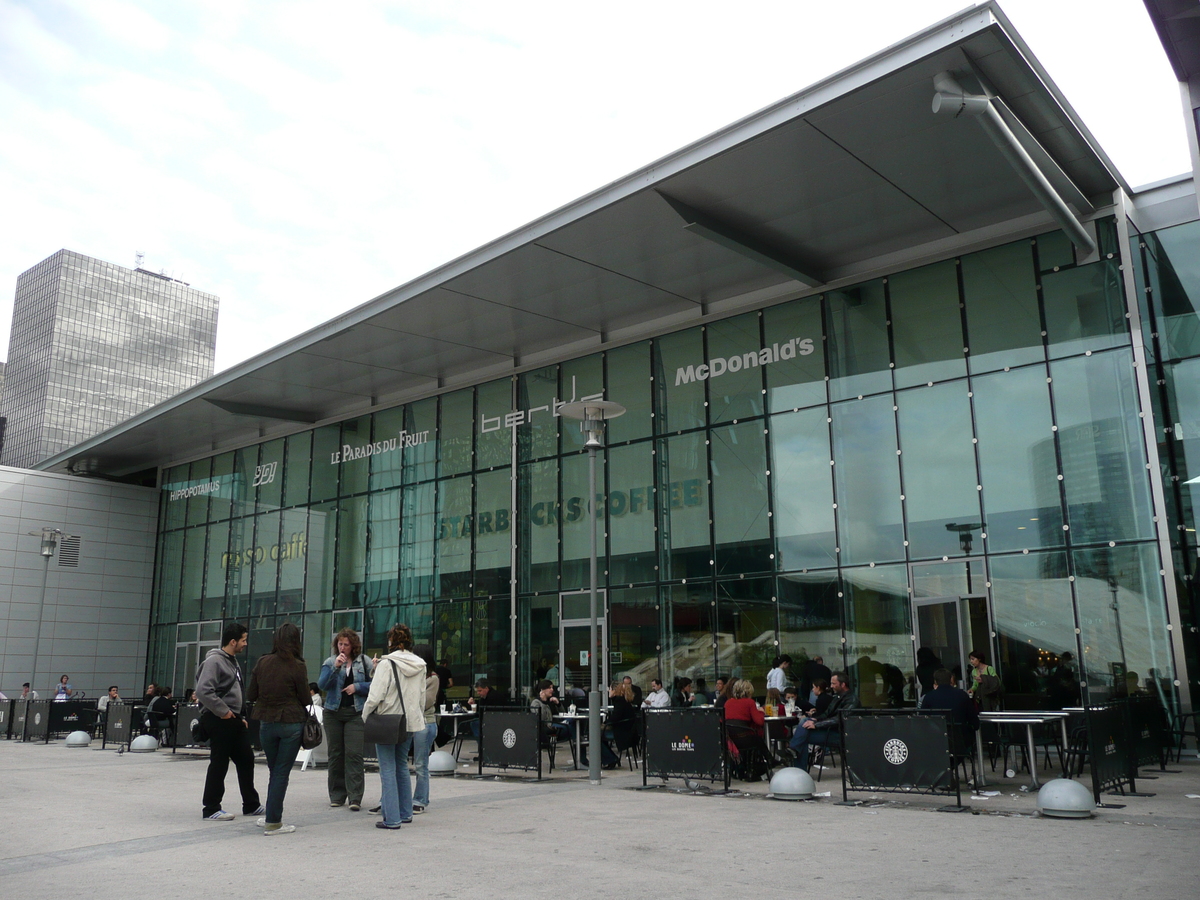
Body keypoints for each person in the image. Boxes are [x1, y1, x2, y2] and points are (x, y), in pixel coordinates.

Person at [195, 622, 262, 821]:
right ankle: (211, 808)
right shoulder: (214, 662)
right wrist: (224, 712)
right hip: (219, 719)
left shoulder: (231, 661)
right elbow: (203, 691)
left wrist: (239, 717)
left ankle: (251, 804)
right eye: (243, 640)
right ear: (232, 642)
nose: (245, 644)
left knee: (246, 759)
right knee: (219, 762)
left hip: (232, 720)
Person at [247, 622, 309, 835]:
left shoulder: (263, 662)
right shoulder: (298, 665)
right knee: (281, 773)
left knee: (275, 772)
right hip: (291, 723)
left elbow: (251, 695)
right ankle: (273, 821)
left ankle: (271, 814)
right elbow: (305, 698)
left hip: (266, 723)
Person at [363, 623, 426, 830]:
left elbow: (375, 695)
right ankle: (406, 812)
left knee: (387, 768)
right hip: (410, 720)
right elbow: (422, 698)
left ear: (391, 641)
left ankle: (391, 818)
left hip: (388, 720)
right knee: (401, 766)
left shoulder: (386, 664)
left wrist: (365, 715)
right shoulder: (420, 665)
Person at [317, 627, 374, 811]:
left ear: (353, 646)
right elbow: (322, 685)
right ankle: (337, 795)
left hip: (355, 712)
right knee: (335, 754)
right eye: (340, 644)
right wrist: (336, 668)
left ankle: (355, 797)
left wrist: (357, 687)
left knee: (354, 754)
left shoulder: (364, 661)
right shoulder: (330, 662)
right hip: (333, 712)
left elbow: (375, 684)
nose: (343, 648)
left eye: (346, 644)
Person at [787, 672, 857, 770]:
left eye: (833, 683)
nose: (831, 686)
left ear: (843, 684)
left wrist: (817, 724)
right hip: (832, 730)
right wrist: (815, 719)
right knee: (804, 726)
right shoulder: (837, 697)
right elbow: (827, 714)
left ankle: (797, 763)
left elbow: (840, 719)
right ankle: (795, 755)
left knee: (802, 736)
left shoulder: (851, 699)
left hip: (842, 734)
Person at [411, 644, 440, 815]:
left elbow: (426, 702)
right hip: (410, 721)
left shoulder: (432, 678)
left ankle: (421, 799)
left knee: (421, 763)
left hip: (425, 722)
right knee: (398, 762)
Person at [920, 668, 979, 742]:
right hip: (960, 740)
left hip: (936, 740)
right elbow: (974, 721)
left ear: (935, 681)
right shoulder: (962, 695)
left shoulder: (929, 697)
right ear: (950, 680)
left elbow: (922, 720)